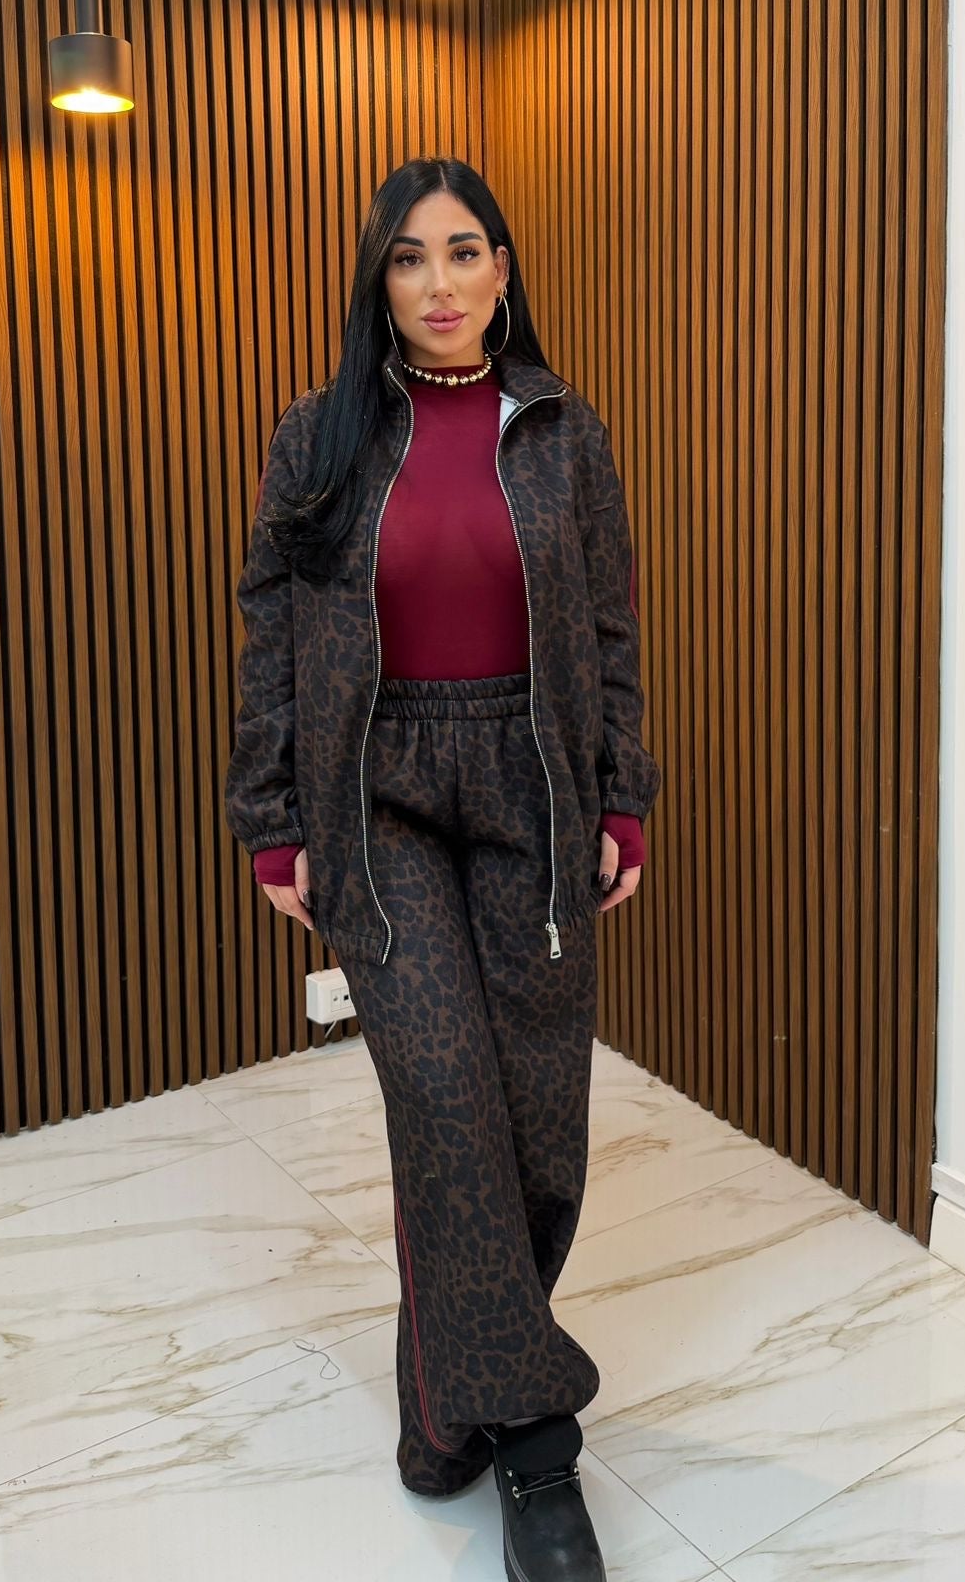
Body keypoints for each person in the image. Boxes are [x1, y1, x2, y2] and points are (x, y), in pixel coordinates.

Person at [224, 156, 662, 1582]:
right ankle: (536, 1445)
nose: (439, 283)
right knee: (446, 1102)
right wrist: (272, 817)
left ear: (503, 270)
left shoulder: (564, 431)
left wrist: (622, 800)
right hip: (380, 798)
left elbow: (609, 633)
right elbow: (274, 641)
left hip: (532, 785)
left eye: (464, 251)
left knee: (536, 1129)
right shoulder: (321, 434)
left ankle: (440, 1408)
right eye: (409, 258)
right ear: (380, 282)